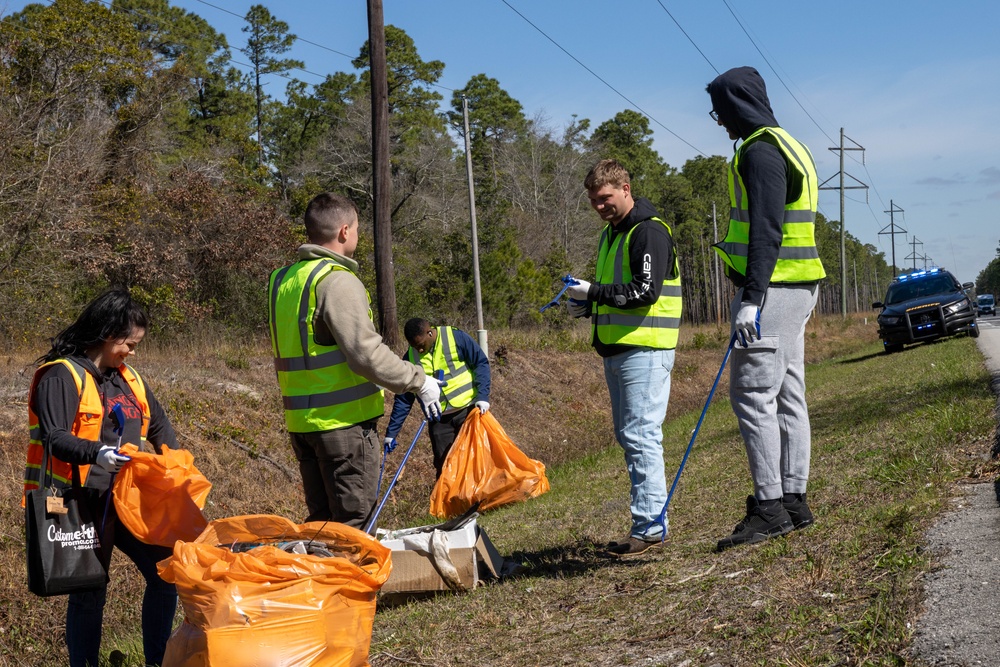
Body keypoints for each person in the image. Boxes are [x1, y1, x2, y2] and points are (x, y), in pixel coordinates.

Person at [268, 192, 442, 532]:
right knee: (354, 527)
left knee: (321, 526)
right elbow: (366, 356)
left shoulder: (282, 281)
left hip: (303, 426)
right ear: (345, 231)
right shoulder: (337, 281)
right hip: (343, 428)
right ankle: (354, 586)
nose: (359, 237)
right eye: (359, 229)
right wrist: (419, 381)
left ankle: (323, 585)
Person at [24, 288, 179, 667]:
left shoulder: (129, 379)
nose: (132, 352)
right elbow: (56, 437)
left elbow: (158, 425)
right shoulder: (61, 376)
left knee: (166, 574)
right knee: (90, 593)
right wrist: (98, 453)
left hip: (127, 499)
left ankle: (156, 660)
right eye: (129, 343)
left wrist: (174, 463)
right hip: (80, 503)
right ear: (108, 335)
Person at [706, 66, 826, 551]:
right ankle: (793, 501)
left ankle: (771, 509)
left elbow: (766, 231)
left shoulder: (760, 151)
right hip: (797, 286)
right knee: (788, 391)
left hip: (773, 289)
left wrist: (751, 299)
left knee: (753, 395)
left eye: (720, 111)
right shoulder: (790, 143)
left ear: (739, 104)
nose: (718, 121)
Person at [566, 158, 683, 556]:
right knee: (630, 437)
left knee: (640, 436)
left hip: (645, 350)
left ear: (625, 189)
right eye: (593, 201)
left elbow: (644, 292)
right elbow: (614, 291)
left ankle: (650, 528)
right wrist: (586, 305)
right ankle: (649, 524)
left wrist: (593, 293)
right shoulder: (610, 235)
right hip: (617, 349)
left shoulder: (648, 232)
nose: (599, 206)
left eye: (605, 198)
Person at [382, 318, 491, 478]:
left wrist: (483, 396)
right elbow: (404, 399)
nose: (418, 350)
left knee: (475, 459)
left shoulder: (455, 337)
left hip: (468, 411)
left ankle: (481, 500)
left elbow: (480, 363)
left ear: (430, 332)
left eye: (421, 345)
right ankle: (454, 502)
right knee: (445, 465)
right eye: (414, 346)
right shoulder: (410, 358)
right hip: (439, 420)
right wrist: (391, 433)